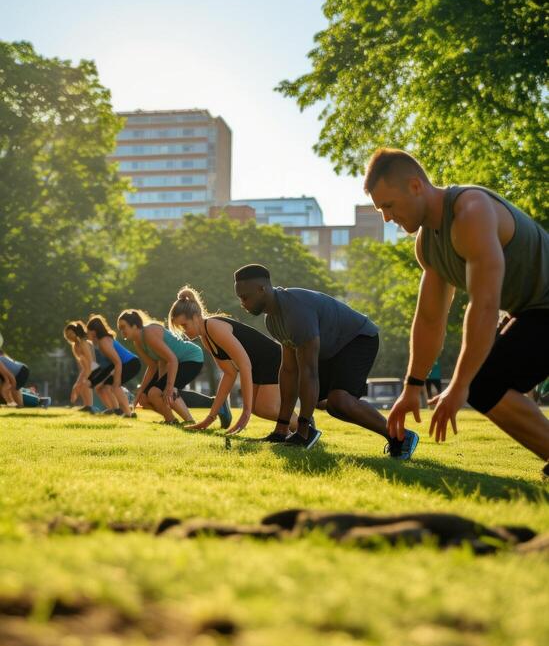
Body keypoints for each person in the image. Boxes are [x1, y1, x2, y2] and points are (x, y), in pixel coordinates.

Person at [364, 148, 549, 478]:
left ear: (416, 186)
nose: (386, 218)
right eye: (380, 210)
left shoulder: (472, 211)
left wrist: (461, 384)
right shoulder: (427, 244)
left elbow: (485, 304)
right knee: (485, 383)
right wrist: (411, 388)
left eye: (389, 206)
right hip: (533, 311)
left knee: (481, 382)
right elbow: (430, 318)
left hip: (542, 309)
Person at [233, 264, 419, 457]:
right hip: (330, 349)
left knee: (339, 401)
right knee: (329, 404)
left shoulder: (296, 310)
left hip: (357, 338)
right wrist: (281, 429)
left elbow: (309, 371)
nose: (242, 303)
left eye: (245, 297)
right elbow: (289, 371)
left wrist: (303, 426)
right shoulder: (272, 320)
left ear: (261, 289)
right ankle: (397, 436)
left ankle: (401, 436)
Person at [168, 286, 298, 435]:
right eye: (180, 327)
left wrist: (245, 413)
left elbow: (244, 365)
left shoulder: (214, 327)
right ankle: (293, 431)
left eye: (184, 325)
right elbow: (229, 374)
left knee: (265, 408)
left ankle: (304, 427)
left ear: (196, 317)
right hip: (259, 365)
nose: (184, 331)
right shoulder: (206, 338)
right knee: (258, 409)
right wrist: (210, 418)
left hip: (274, 359)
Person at [117, 309, 231, 428]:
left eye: (123, 327)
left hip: (191, 358)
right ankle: (172, 420)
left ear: (135, 325)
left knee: (157, 392)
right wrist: (140, 391)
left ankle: (187, 420)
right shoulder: (138, 342)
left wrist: (169, 387)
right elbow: (153, 366)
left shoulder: (149, 333)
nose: (121, 331)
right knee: (145, 398)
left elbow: (172, 359)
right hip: (174, 363)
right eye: (120, 328)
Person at [86, 315, 141, 417]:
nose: (87, 334)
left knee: (115, 387)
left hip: (131, 363)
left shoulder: (104, 341)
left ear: (93, 331)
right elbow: (109, 365)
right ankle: (115, 410)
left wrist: (116, 381)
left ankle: (128, 414)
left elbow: (117, 362)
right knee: (102, 387)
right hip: (125, 364)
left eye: (88, 331)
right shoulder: (100, 342)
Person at [63, 321, 96, 412]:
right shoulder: (75, 346)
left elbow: (91, 361)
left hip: (96, 366)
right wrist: (78, 382)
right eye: (67, 334)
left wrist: (87, 378)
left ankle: (89, 407)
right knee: (78, 386)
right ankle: (86, 406)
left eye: (70, 333)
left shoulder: (83, 343)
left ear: (76, 332)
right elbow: (82, 365)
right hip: (88, 368)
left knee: (85, 384)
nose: (68, 336)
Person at [0, 338, 30, 408]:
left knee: (11, 389)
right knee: (8, 389)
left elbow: (9, 375)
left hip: (21, 371)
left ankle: (19, 406)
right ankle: (16, 405)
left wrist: (13, 387)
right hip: (16, 372)